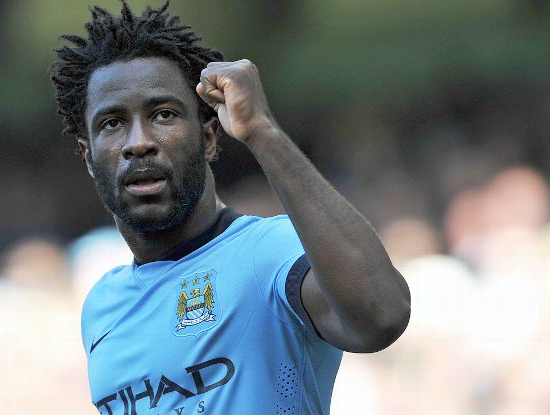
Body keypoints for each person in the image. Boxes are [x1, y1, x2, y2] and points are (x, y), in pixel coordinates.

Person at [49, 2, 411, 414]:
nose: (138, 142)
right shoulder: (101, 305)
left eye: (163, 114)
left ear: (208, 138)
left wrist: (261, 131)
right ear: (88, 157)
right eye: (112, 123)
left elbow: (382, 316)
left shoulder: (271, 252)